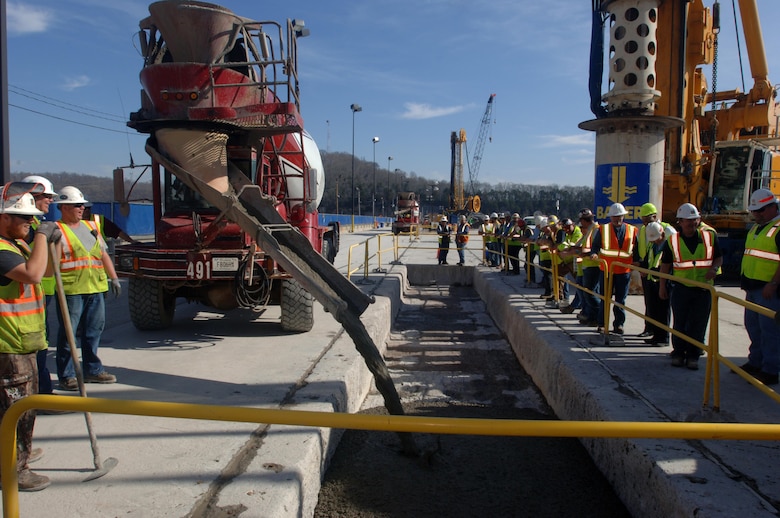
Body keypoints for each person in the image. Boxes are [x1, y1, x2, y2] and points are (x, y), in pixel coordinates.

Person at [0, 182, 62, 491]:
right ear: (3, 217)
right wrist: (40, 235)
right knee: (14, 410)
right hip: (7, 347)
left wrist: (52, 242)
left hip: (23, 342)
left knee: (24, 408)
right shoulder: (0, 251)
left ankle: (18, 455)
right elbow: (33, 274)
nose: (29, 221)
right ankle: (13, 470)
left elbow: (47, 271)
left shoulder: (17, 244)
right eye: (23, 217)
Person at [53, 186, 121, 390]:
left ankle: (93, 370)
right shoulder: (58, 230)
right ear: (64, 207)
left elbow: (103, 254)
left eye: (83, 205)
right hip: (72, 290)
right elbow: (54, 262)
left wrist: (114, 278)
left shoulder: (91, 227)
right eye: (77, 205)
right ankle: (67, 375)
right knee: (68, 335)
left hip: (96, 288)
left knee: (93, 331)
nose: (82, 208)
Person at [659, 203, 722, 370]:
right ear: (680, 222)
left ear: (699, 220)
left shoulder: (710, 237)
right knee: (680, 322)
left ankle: (693, 355)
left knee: (698, 323)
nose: (691, 224)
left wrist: (714, 269)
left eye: (694, 220)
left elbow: (718, 257)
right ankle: (679, 353)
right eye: (688, 221)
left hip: (703, 289)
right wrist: (662, 286)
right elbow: (665, 265)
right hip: (681, 288)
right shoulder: (673, 241)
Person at [739, 189, 780, 385]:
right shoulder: (757, 227)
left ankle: (770, 370)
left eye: (761, 210)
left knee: (769, 331)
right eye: (755, 211)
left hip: (769, 291)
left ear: (773, 207)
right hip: (753, 287)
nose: (757, 214)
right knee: (753, 327)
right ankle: (755, 362)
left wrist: (773, 284)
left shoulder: (778, 229)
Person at [22, 175, 57, 396]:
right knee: (37, 344)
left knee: (42, 339)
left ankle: (42, 391)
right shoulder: (26, 229)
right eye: (47, 196)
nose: (51, 201)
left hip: (43, 290)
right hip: (27, 291)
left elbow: (50, 268)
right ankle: (41, 393)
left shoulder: (36, 225)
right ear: (32, 197)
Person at [589, 203, 637, 335]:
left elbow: (636, 249)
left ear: (623, 216)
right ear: (611, 217)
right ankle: (602, 324)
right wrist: (593, 253)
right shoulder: (603, 230)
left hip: (624, 271)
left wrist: (637, 262)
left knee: (620, 301)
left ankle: (619, 324)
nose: (618, 219)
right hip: (607, 270)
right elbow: (596, 246)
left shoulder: (632, 230)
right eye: (615, 217)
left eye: (620, 216)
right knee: (605, 298)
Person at [634, 203, 673, 339]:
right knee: (651, 304)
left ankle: (661, 335)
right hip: (649, 271)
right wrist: (641, 266)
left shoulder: (668, 231)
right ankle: (651, 330)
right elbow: (640, 248)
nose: (644, 223)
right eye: (643, 221)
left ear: (655, 216)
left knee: (662, 307)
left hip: (663, 274)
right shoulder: (645, 230)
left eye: (647, 220)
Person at [642, 221, 675, 346]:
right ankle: (656, 335)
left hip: (664, 283)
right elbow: (648, 260)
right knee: (653, 310)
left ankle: (663, 338)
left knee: (663, 312)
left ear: (662, 234)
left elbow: (668, 266)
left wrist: (651, 271)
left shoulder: (668, 245)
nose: (655, 241)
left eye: (657, 238)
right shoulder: (653, 246)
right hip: (652, 281)